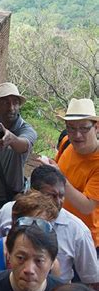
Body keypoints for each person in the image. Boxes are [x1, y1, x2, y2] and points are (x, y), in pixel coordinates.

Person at [0, 165, 99, 287]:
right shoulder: (8, 211)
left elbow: (91, 278)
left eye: (61, 195)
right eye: (51, 195)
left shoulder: (78, 230)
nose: (58, 202)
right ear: (33, 193)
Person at [0, 190, 61, 287]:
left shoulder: (52, 264)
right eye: (20, 258)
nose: (36, 231)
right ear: (14, 222)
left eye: (44, 226)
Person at [0, 82, 37, 217]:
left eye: (15, 103)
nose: (11, 108)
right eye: (6, 102)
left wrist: (11, 138)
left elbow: (23, 145)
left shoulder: (27, 130)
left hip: (5, 200)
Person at [0, 218, 63, 291]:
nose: (29, 270)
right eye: (21, 258)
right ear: (9, 255)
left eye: (39, 261)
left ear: (52, 262)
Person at [48, 98, 99, 249]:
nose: (77, 135)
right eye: (71, 128)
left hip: (85, 239)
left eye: (84, 128)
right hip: (57, 228)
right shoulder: (66, 142)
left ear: (96, 127)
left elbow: (87, 206)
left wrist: (60, 178)